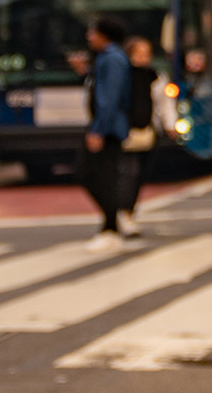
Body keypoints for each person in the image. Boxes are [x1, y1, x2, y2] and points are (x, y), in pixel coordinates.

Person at [83, 17, 133, 251]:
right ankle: (111, 222)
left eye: (93, 32)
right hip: (106, 126)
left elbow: (109, 98)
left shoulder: (112, 59)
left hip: (109, 127)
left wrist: (98, 130)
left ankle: (112, 223)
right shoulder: (106, 58)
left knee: (94, 174)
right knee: (99, 175)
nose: (89, 37)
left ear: (105, 35)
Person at [117, 37, 161, 237]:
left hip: (147, 133)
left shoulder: (154, 76)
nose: (144, 58)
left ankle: (129, 213)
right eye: (139, 53)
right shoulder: (122, 76)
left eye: (147, 53)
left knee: (140, 175)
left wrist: (170, 126)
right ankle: (123, 214)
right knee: (129, 173)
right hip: (126, 133)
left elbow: (163, 102)